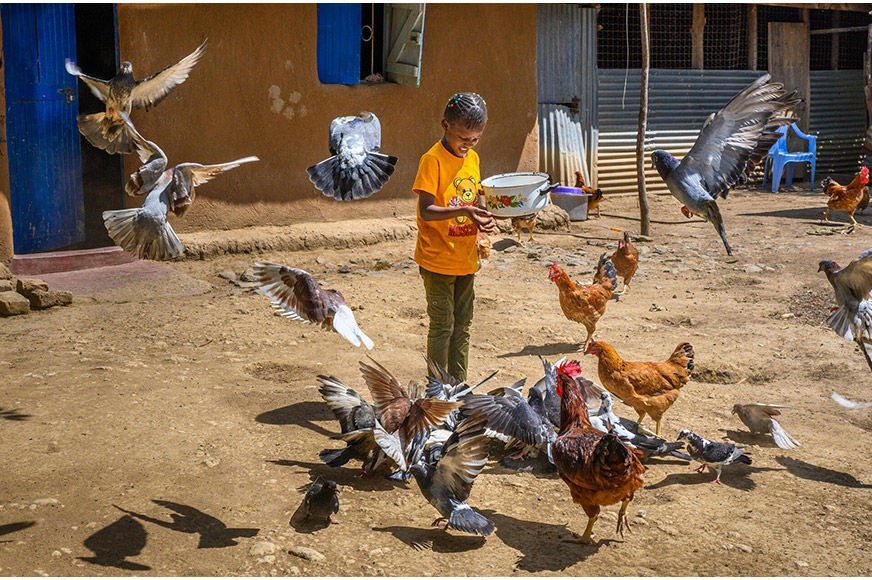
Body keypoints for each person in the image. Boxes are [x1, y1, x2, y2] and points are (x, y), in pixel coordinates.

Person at [412, 92, 497, 382]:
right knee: (442, 326)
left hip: (465, 259)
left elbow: (475, 199)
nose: (468, 145)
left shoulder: (473, 158)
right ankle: (438, 388)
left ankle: (458, 388)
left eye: (475, 139)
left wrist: (483, 216)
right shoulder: (432, 160)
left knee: (463, 326)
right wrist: (465, 210)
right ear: (445, 125)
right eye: (463, 137)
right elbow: (426, 211)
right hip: (437, 259)